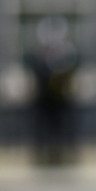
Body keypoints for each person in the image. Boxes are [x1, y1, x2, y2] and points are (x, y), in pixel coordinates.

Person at [25, 16, 79, 166]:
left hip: (62, 101)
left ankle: (65, 157)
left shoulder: (68, 54)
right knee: (43, 130)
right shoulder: (39, 55)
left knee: (64, 129)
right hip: (44, 100)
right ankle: (43, 158)